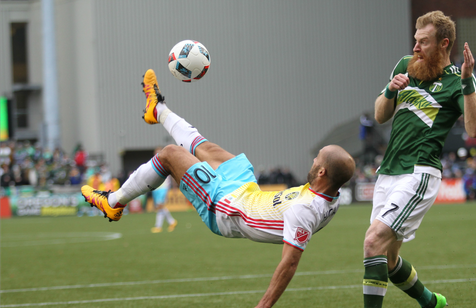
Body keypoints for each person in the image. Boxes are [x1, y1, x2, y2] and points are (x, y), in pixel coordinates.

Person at [81, 69, 355, 308]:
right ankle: (158, 110)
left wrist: (264, 305)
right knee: (207, 148)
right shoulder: (331, 191)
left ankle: (113, 202)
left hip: (225, 207)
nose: (314, 159)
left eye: (318, 158)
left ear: (321, 172)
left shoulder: (305, 210)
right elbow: (333, 178)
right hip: (248, 192)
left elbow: (290, 263)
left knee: (169, 154)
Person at [362, 11, 476, 308]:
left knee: (372, 242)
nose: (415, 47)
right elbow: (380, 115)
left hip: (418, 173)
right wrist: (391, 89)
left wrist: (468, 82)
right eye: (416, 40)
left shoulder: (459, 80)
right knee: (388, 260)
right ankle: (432, 303)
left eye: (424, 42)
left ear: (444, 44)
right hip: (388, 171)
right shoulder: (406, 65)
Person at [150, 147, 177, 233]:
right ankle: (168, 223)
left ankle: (161, 225)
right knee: (159, 207)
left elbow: (172, 175)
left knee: (160, 205)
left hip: (163, 188)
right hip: (156, 188)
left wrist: (174, 187)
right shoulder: (153, 163)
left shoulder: (166, 163)